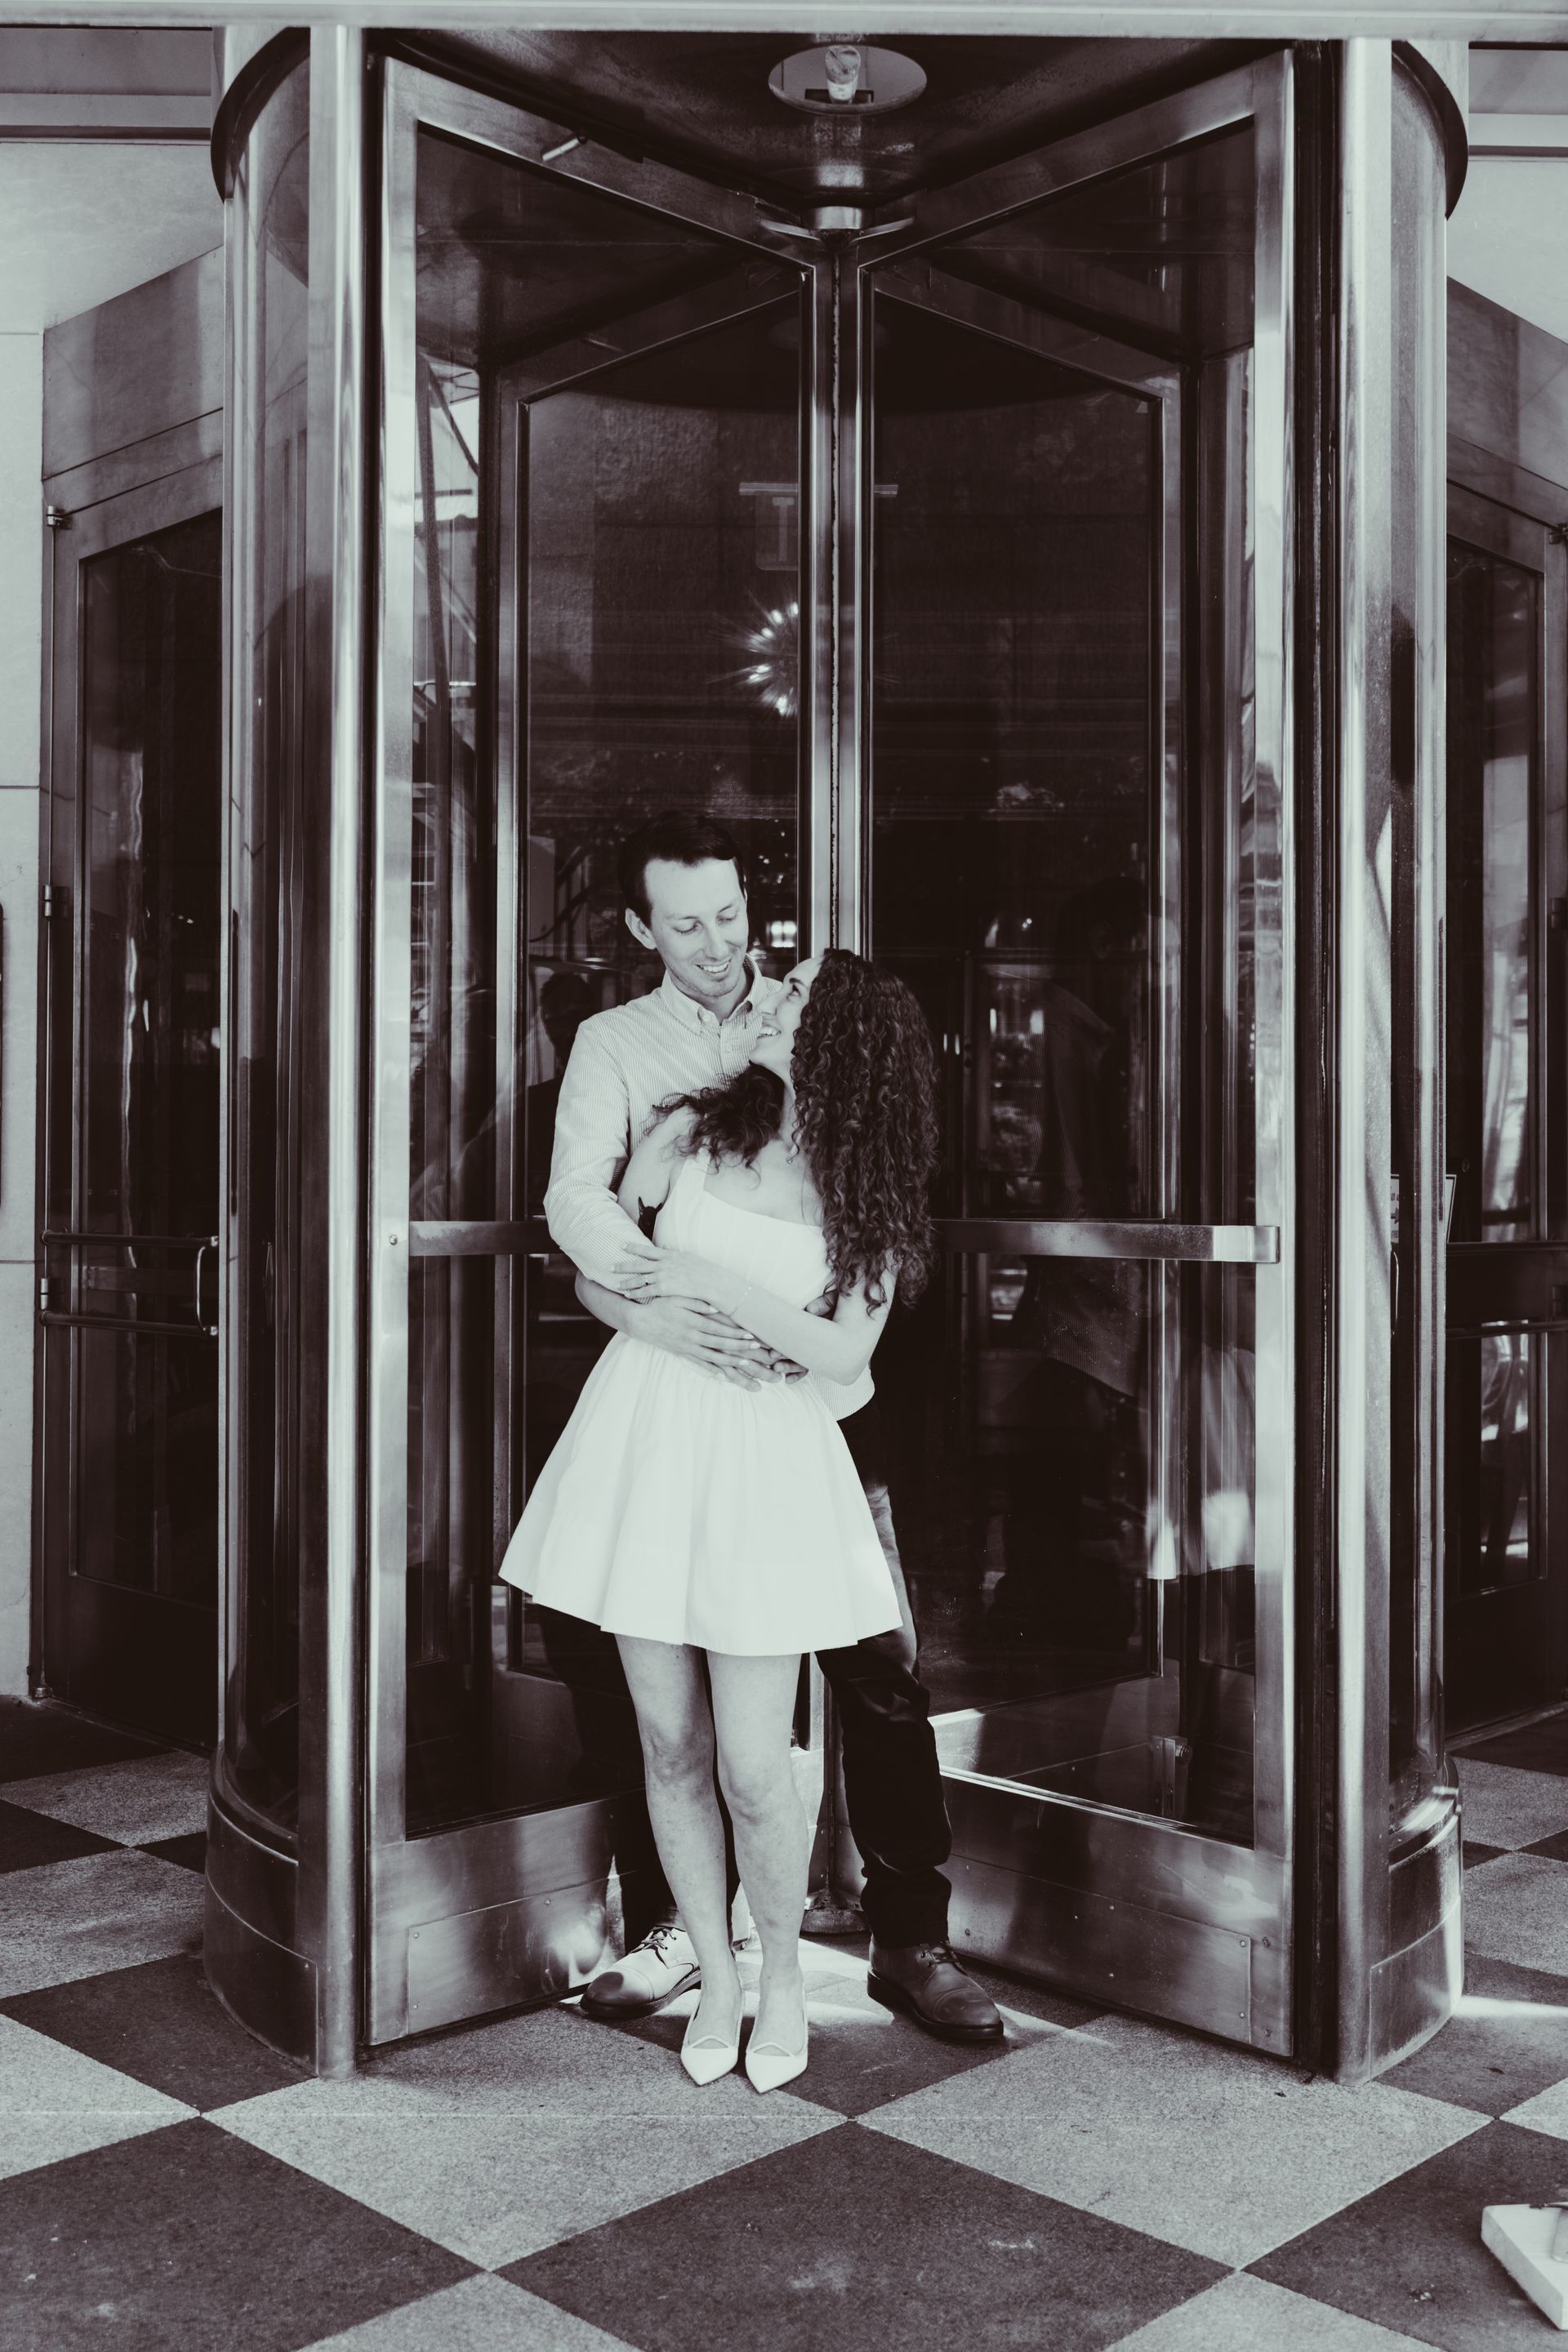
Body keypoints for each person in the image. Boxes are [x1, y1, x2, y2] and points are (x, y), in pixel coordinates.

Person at [533, 812, 1003, 2048]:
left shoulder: (824, 1043)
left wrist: (739, 1306)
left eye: (732, 918)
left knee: (878, 1670)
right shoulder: (620, 1051)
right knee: (657, 1689)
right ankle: (694, 1931)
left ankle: (910, 1935)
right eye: (685, 926)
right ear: (639, 929)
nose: (719, 947)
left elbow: (851, 1307)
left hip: (817, 1422)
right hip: (666, 1394)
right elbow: (580, 1207)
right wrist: (659, 1306)